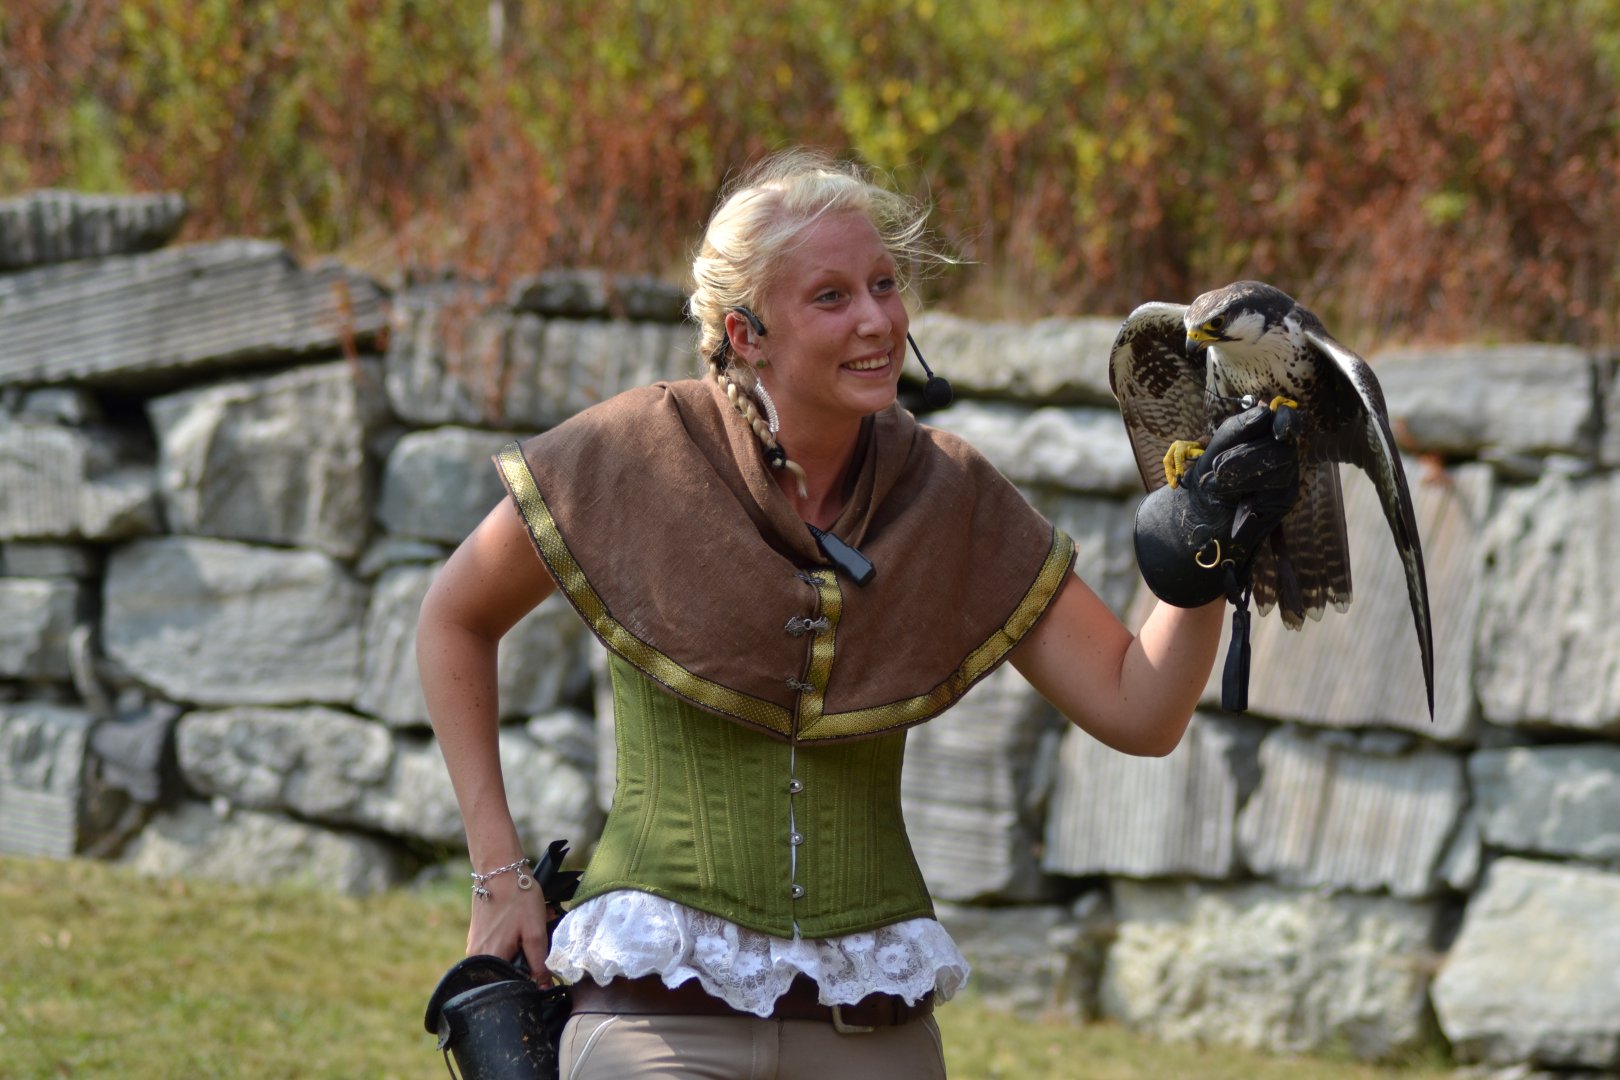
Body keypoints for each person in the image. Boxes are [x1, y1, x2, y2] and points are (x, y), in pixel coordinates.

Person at [417, 148, 1231, 1079]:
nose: (880, 319)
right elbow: (454, 616)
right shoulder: (631, 454)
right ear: (747, 331)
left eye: (885, 284)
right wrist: (498, 874)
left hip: (872, 1029)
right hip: (658, 1019)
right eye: (833, 297)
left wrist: (1200, 552)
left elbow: (1141, 707)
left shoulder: (950, 492)